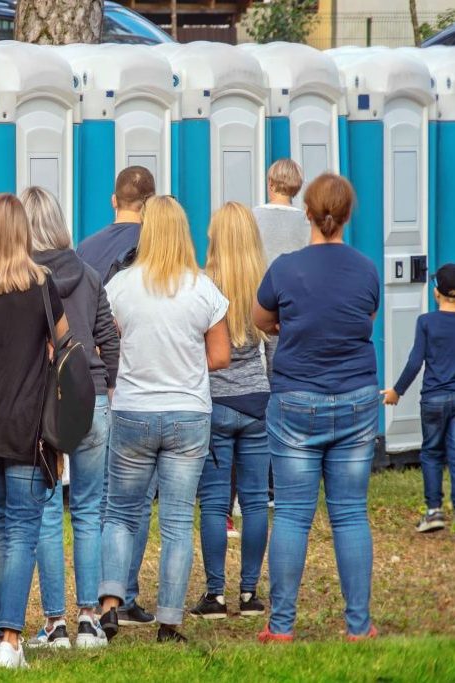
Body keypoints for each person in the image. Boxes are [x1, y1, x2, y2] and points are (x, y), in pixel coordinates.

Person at [254, 173, 380, 642]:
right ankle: (358, 625)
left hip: (295, 401)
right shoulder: (366, 269)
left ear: (307, 212)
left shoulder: (285, 268)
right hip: (356, 399)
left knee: (290, 513)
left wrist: (290, 330)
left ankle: (282, 626)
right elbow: (364, 319)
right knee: (349, 513)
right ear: (347, 215)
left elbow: (260, 318)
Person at [98, 196, 230, 645]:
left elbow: (106, 344)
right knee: (175, 522)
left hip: (133, 409)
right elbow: (220, 355)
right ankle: (170, 622)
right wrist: (183, 364)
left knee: (120, 513)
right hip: (188, 414)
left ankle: (111, 604)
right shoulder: (203, 288)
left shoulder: (119, 287)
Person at [0, 193, 68, 669]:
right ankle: (10, 639)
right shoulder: (42, 285)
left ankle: (1, 635)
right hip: (26, 426)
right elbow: (64, 344)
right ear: (22, 232)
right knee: (21, 531)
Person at [21, 187, 119, 650]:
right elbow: (109, 339)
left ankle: (55, 623)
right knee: (87, 512)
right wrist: (105, 385)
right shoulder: (92, 275)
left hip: (44, 402)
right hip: (92, 397)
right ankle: (89, 620)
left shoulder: (23, 281)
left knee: (43, 510)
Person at [76, 165, 158, 627]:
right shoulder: (159, 249)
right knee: (134, 497)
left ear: (114, 200)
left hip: (100, 385)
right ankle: (124, 594)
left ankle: (99, 596)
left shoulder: (86, 250)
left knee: (100, 498)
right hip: (145, 384)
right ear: (151, 203)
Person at [190, 202, 270, 621]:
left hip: (215, 401)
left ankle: (215, 596)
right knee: (256, 501)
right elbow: (274, 348)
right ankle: (251, 594)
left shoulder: (204, 284)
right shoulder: (264, 282)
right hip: (258, 400)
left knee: (215, 503)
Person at [382, 263, 455, 533]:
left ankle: (434, 510)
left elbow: (415, 362)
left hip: (434, 399)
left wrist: (396, 391)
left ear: (437, 293)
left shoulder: (427, 322)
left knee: (432, 453)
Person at [252, 158, 309, 378]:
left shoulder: (253, 216)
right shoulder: (307, 220)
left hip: (258, 298)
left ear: (270, 182)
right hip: (295, 303)